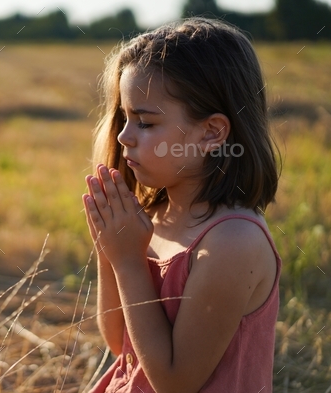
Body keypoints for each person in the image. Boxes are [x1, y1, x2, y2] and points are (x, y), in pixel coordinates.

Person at [81, 17, 282, 393]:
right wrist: (110, 250)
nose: (124, 136)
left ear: (211, 133)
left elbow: (175, 382)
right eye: (125, 117)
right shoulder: (152, 217)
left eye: (145, 122)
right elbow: (119, 344)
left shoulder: (232, 241)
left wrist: (127, 262)